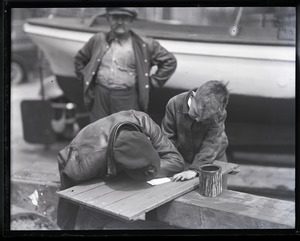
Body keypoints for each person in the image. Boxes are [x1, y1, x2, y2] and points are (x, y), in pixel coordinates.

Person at [57, 109, 185, 230]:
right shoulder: (85, 164)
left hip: (108, 161)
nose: (151, 172)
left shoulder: (143, 121)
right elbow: (68, 194)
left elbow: (176, 161)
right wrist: (65, 226)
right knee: (93, 219)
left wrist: (146, 170)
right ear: (122, 167)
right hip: (76, 161)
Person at [74, 7, 177, 122]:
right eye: (115, 17)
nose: (120, 22)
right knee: (98, 132)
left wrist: (150, 83)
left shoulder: (144, 44)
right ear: (108, 19)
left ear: (131, 21)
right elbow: (79, 59)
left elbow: (170, 61)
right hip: (100, 96)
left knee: (125, 133)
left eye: (125, 18)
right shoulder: (98, 39)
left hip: (127, 97)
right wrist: (86, 81)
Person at [161, 80, 230, 182]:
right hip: (183, 158)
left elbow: (211, 143)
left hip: (213, 159)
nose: (198, 120)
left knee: (215, 192)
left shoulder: (220, 113)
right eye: (196, 113)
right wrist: (172, 162)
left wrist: (195, 169)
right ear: (192, 97)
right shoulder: (174, 103)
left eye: (205, 119)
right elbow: (167, 138)